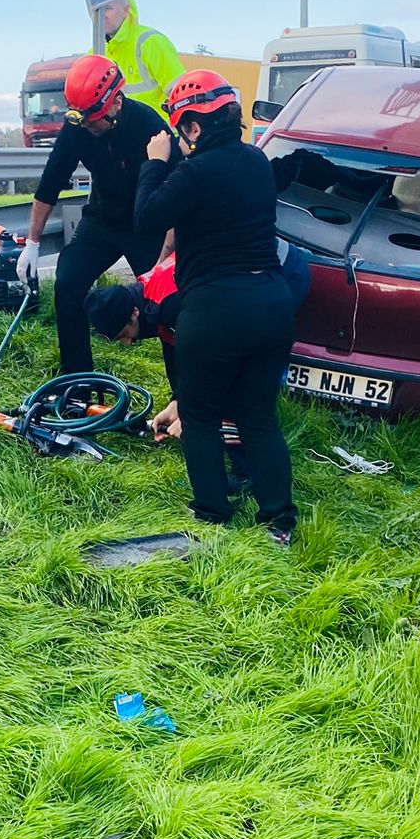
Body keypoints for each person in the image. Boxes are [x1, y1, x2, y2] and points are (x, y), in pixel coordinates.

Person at [133, 70, 298, 543]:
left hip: (215, 307)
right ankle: (278, 522)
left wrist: (154, 163)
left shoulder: (192, 171)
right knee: (258, 417)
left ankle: (212, 513)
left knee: (202, 416)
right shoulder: (254, 160)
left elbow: (146, 218)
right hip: (270, 302)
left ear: (194, 126)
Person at [22, 53, 171, 374]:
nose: (87, 125)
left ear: (116, 103)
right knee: (68, 283)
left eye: (93, 119)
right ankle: (77, 382)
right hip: (102, 219)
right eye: (81, 119)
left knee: (167, 301)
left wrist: (169, 257)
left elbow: (176, 193)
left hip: (145, 224)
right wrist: (32, 243)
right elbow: (50, 183)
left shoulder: (150, 128)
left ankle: (183, 399)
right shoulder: (78, 126)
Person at [102, 0, 181, 120]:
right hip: (121, 138)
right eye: (97, 10)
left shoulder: (151, 42)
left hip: (160, 135)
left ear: (126, 10)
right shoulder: (95, 52)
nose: (101, 14)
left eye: (108, 8)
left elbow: (180, 94)